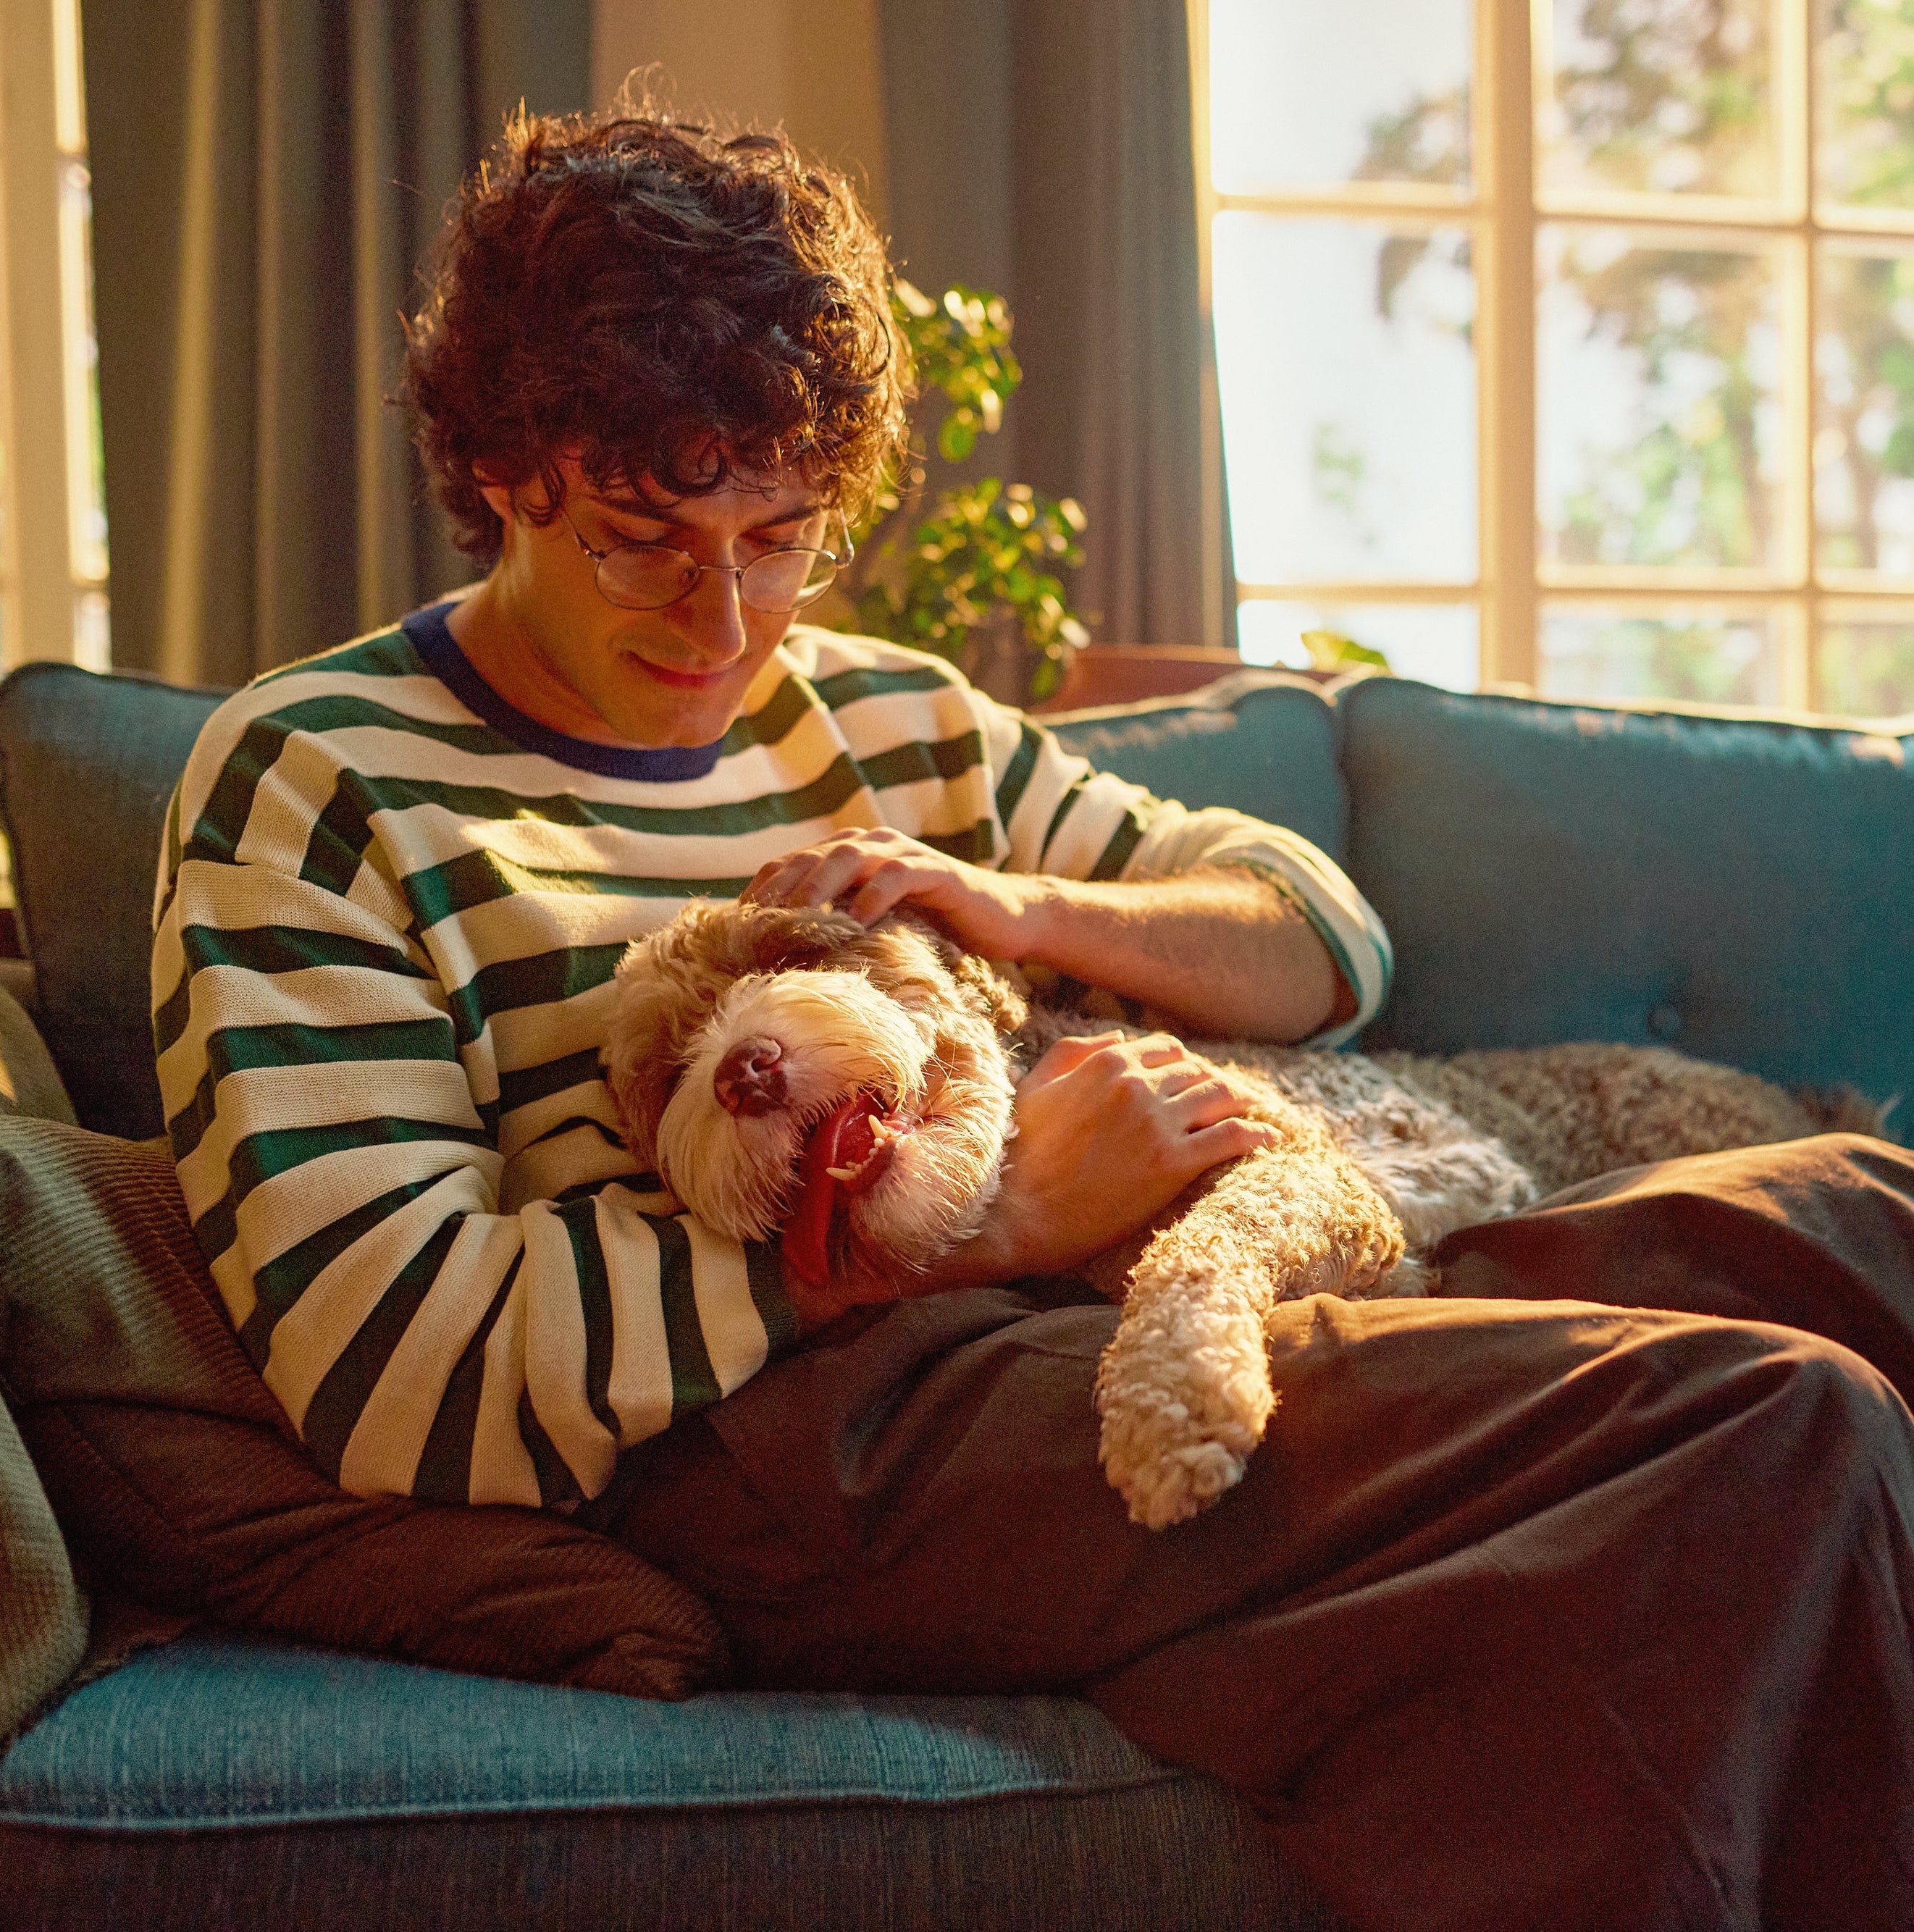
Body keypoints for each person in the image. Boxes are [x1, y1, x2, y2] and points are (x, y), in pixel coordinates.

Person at [152, 106, 1914, 1931]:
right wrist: (987, 1221)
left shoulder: (887, 718)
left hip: (1135, 1288)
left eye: (781, 536)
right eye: (639, 537)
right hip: (792, 1433)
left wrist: (1015, 900)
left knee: (1865, 1217)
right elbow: (397, 1368)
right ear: (502, 470)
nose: (723, 615)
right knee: (1771, 1423)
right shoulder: (318, 777)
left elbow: (1321, 939)